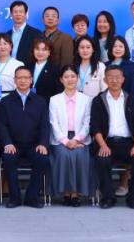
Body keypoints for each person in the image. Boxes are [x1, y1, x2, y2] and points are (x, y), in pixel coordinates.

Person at [90, 65, 134, 209]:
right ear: (105, 80)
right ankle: (108, 197)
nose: (114, 80)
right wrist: (102, 146)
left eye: (117, 77)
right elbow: (95, 127)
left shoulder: (132, 99)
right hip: (107, 142)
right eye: (110, 77)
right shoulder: (98, 100)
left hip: (129, 143)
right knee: (102, 160)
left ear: (123, 79)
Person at [0, 67, 50, 209]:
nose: (23, 81)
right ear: (14, 80)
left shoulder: (40, 101)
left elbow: (45, 126)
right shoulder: (6, 101)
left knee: (42, 159)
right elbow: (2, 125)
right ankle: (14, 198)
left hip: (34, 145)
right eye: (19, 78)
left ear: (31, 80)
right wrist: (7, 143)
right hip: (13, 144)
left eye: (26, 78)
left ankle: (31, 197)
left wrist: (42, 143)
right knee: (8, 158)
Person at [48, 66, 91, 206]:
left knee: (80, 155)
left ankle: (76, 193)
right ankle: (65, 193)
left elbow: (87, 123)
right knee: (63, 155)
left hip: (80, 137)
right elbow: (53, 123)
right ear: (61, 80)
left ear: (77, 78)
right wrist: (66, 141)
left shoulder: (86, 99)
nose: (70, 80)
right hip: (61, 138)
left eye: (73, 76)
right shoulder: (54, 100)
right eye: (66, 77)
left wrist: (77, 139)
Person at [0, 33, 23, 100]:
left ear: (11, 46)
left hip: (10, 100)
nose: (2, 47)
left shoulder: (18, 64)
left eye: (5, 44)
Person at [8, 0, 42, 65]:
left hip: (27, 69)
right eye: (15, 12)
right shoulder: (7, 34)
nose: (18, 14)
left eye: (21, 12)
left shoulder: (35, 33)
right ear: (11, 14)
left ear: (26, 14)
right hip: (9, 69)